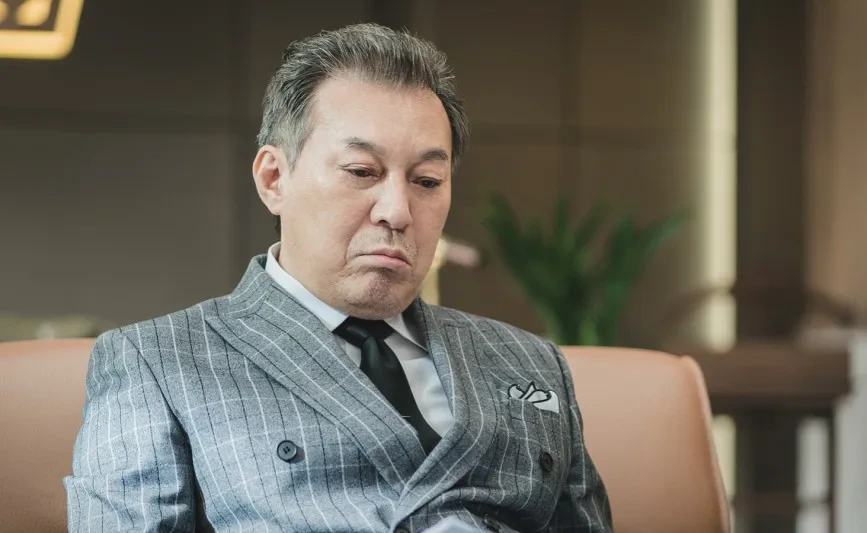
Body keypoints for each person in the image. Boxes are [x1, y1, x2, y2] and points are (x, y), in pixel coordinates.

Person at [64, 23, 612, 533]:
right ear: (274, 178)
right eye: (361, 172)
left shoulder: (530, 363)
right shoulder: (157, 361)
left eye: (426, 180)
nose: (397, 211)